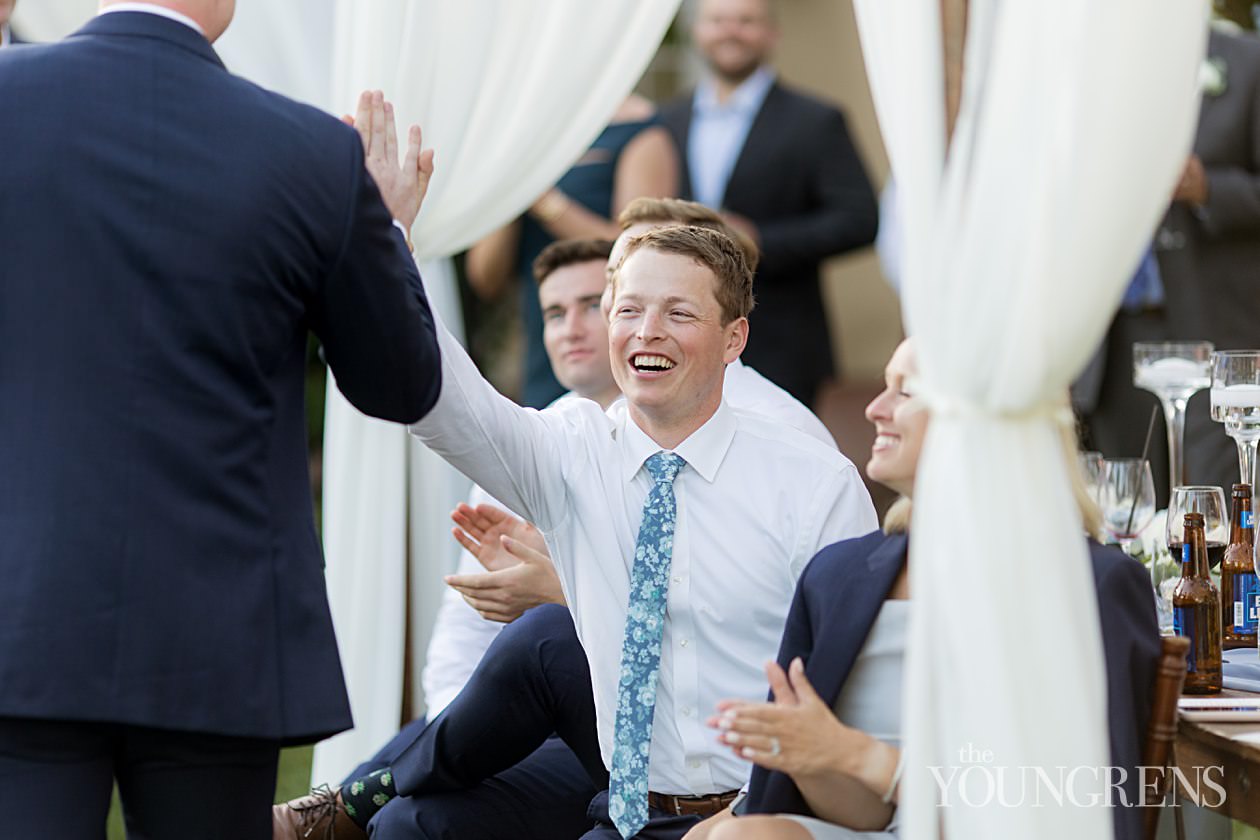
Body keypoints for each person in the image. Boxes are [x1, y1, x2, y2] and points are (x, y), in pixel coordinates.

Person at [0, 4, 442, 838]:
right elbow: (399, 385)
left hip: (22, 608)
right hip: (218, 629)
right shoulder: (312, 151)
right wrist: (384, 230)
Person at [680, 340, 1161, 840]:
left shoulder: (1088, 584)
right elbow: (866, 818)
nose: (875, 409)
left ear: (983, 420)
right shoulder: (838, 577)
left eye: (905, 392)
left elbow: (1080, 799)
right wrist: (813, 759)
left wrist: (861, 756)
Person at [659, 0, 878, 406]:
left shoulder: (816, 121)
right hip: (679, 335)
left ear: (771, 34)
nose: (731, 31)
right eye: (718, 20)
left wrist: (761, 240)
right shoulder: (667, 121)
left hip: (782, 339)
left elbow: (860, 218)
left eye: (746, 21)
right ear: (698, 32)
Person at [1084, 22, 1260, 503]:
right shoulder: (1082, 68)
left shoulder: (1247, 61)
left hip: (1209, 328)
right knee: (1126, 508)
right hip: (1109, 339)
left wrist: (1210, 189)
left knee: (1208, 511)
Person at [467, 94, 679, 407]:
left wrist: (545, 200)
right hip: (549, 339)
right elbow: (485, 277)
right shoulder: (519, 131)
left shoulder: (639, 127)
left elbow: (643, 251)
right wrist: (511, 190)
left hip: (614, 339)